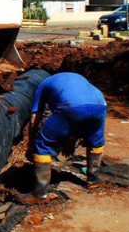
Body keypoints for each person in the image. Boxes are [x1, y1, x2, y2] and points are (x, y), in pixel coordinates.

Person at [19, 72, 108, 205]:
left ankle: (39, 194)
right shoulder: (77, 79)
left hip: (71, 106)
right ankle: (94, 180)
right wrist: (70, 141)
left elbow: (35, 118)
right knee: (96, 141)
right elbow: (80, 119)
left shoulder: (43, 85)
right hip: (100, 105)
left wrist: (32, 145)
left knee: (43, 145)